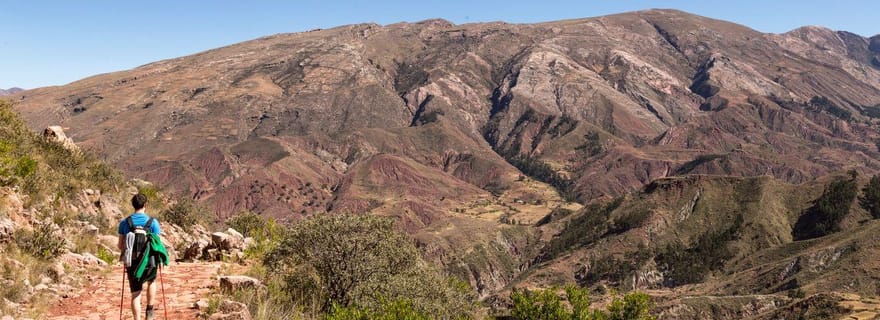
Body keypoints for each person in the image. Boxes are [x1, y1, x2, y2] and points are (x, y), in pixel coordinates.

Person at [117, 193, 162, 320]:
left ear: (133, 205)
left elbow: (120, 246)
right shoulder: (153, 223)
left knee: (135, 293)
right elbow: (157, 244)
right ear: (145, 205)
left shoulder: (125, 223)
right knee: (151, 281)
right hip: (150, 260)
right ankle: (149, 310)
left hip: (133, 262)